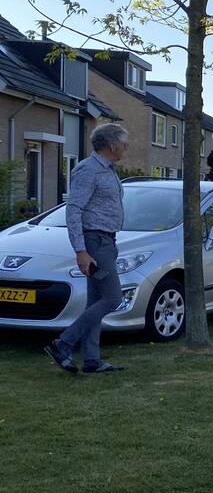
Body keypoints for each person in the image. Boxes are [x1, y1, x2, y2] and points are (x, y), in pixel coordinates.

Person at [43, 123, 130, 374]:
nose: (127, 147)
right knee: (113, 298)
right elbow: (74, 209)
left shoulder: (110, 170)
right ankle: (63, 343)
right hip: (95, 243)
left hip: (107, 241)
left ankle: (92, 360)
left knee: (96, 300)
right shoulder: (88, 170)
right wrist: (81, 250)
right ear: (112, 144)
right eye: (124, 143)